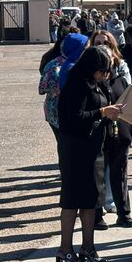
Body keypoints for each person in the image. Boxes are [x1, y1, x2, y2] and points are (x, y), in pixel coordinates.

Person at [55, 46, 122, 262]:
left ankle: (88, 247)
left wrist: (110, 110)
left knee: (91, 200)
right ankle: (65, 249)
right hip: (76, 150)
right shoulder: (76, 84)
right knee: (72, 200)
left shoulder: (95, 83)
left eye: (108, 71)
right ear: (91, 67)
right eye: (102, 70)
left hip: (93, 149)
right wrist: (102, 112)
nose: (105, 75)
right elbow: (72, 118)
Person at [89, 32, 132, 229]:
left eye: (106, 43)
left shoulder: (120, 78)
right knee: (97, 175)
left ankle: (124, 213)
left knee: (120, 174)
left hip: (120, 134)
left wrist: (131, 130)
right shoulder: (90, 80)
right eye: (98, 43)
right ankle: (96, 215)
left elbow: (130, 104)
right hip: (98, 134)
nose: (103, 46)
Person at [39, 33, 88, 165]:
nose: (87, 50)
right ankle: (66, 169)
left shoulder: (75, 62)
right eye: (84, 47)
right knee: (65, 144)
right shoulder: (56, 67)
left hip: (59, 111)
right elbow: (43, 89)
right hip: (58, 112)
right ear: (76, 48)